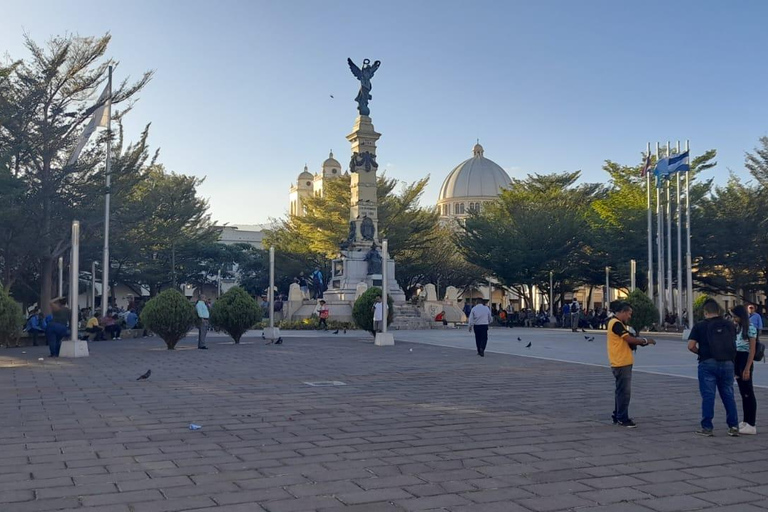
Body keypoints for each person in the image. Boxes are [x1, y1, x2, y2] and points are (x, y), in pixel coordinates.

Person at [687, 298, 740, 437]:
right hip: (728, 363)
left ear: (705, 312)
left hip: (707, 363)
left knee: (708, 396)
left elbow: (691, 346)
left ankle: (707, 427)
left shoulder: (700, 326)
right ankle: (733, 426)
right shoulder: (729, 325)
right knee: (728, 394)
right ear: (718, 311)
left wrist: (702, 353)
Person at [606, 302, 656, 428]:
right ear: (623, 312)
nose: (630, 317)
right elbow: (629, 339)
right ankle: (623, 418)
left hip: (620, 361)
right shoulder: (616, 323)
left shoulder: (616, 323)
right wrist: (645, 341)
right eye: (629, 314)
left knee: (620, 391)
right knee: (624, 392)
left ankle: (617, 415)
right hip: (621, 362)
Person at [732, 305, 758, 435]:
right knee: (743, 392)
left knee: (748, 391)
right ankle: (745, 420)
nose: (734, 319)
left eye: (735, 316)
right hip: (737, 358)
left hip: (745, 358)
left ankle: (751, 423)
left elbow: (752, 350)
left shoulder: (750, 328)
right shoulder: (738, 328)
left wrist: (747, 368)